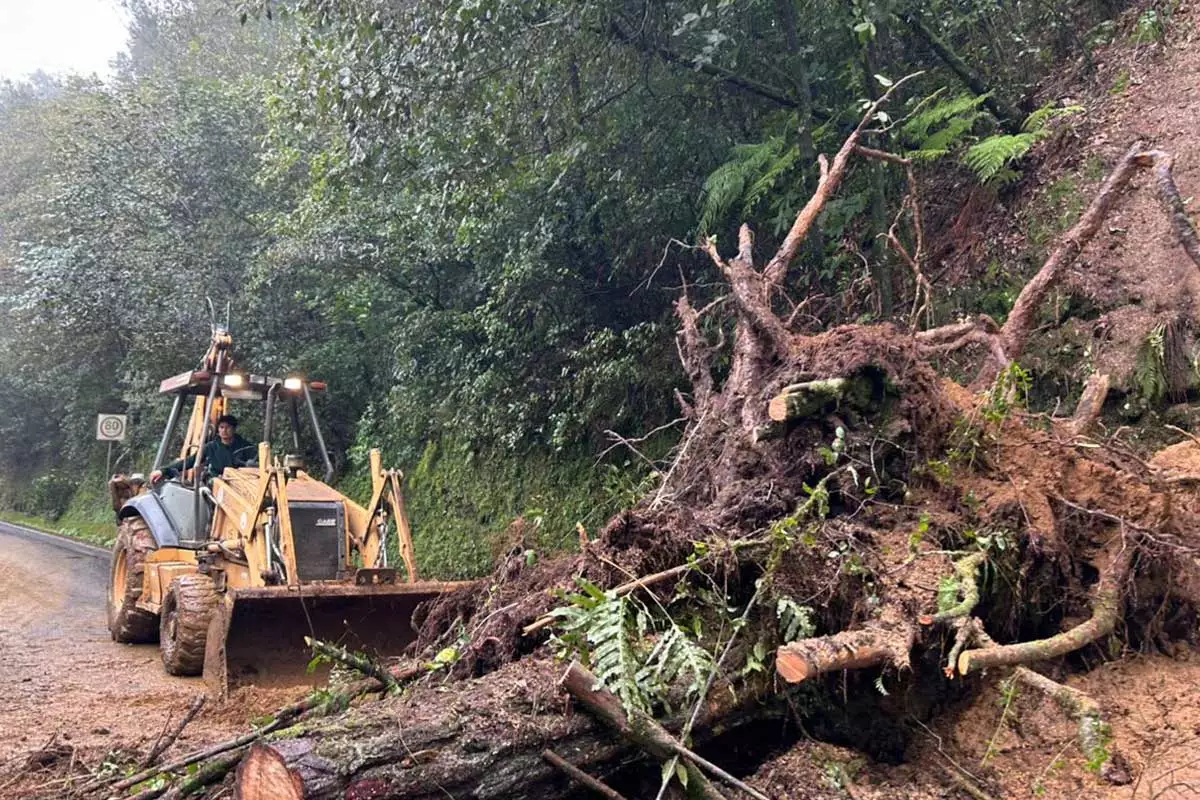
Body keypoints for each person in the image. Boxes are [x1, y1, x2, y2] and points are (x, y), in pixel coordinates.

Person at [151, 414, 254, 483]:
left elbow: (256, 464)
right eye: (221, 427)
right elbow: (189, 462)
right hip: (215, 483)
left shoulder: (245, 447)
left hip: (240, 483)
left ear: (234, 429)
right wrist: (163, 471)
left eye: (227, 427)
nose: (224, 430)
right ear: (218, 429)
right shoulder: (210, 447)